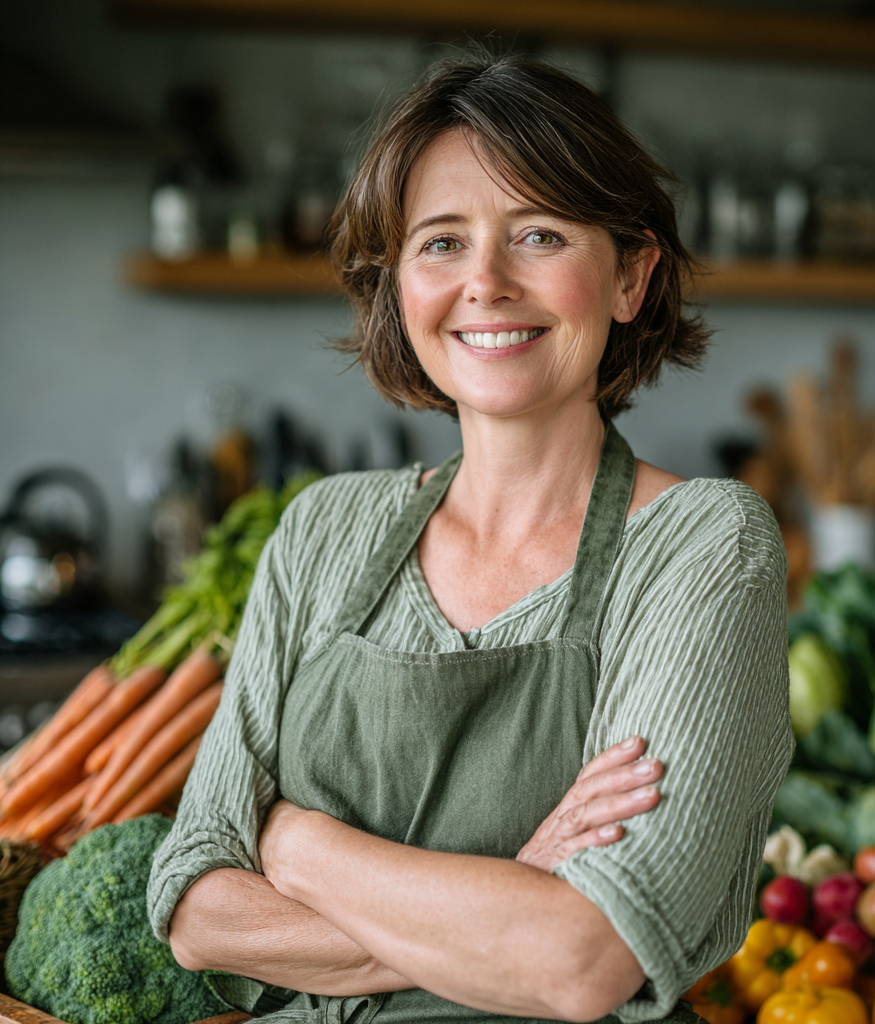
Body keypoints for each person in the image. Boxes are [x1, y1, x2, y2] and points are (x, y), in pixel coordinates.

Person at [147, 54, 792, 1024]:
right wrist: (513, 882)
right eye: (441, 242)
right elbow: (196, 909)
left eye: (538, 234)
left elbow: (578, 960)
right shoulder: (326, 526)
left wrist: (295, 846)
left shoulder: (701, 542)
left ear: (630, 274)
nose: (485, 283)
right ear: (399, 286)